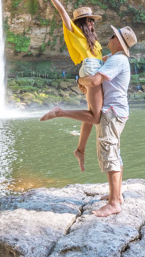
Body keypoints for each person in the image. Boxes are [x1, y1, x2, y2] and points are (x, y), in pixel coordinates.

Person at [41, 25, 137, 218]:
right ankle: (116, 195)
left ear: (119, 42)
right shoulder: (115, 59)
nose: (108, 39)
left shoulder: (118, 59)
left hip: (111, 113)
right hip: (116, 112)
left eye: (112, 36)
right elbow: (96, 61)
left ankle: (114, 203)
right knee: (114, 152)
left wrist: (80, 80)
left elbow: (94, 81)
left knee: (109, 153)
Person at [34, 0, 103, 171]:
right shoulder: (76, 32)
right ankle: (59, 112)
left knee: (91, 115)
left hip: (95, 69)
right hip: (90, 69)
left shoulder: (95, 42)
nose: (92, 23)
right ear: (83, 22)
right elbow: (62, 12)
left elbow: (101, 59)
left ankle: (80, 150)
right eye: (90, 21)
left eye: (92, 21)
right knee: (96, 117)